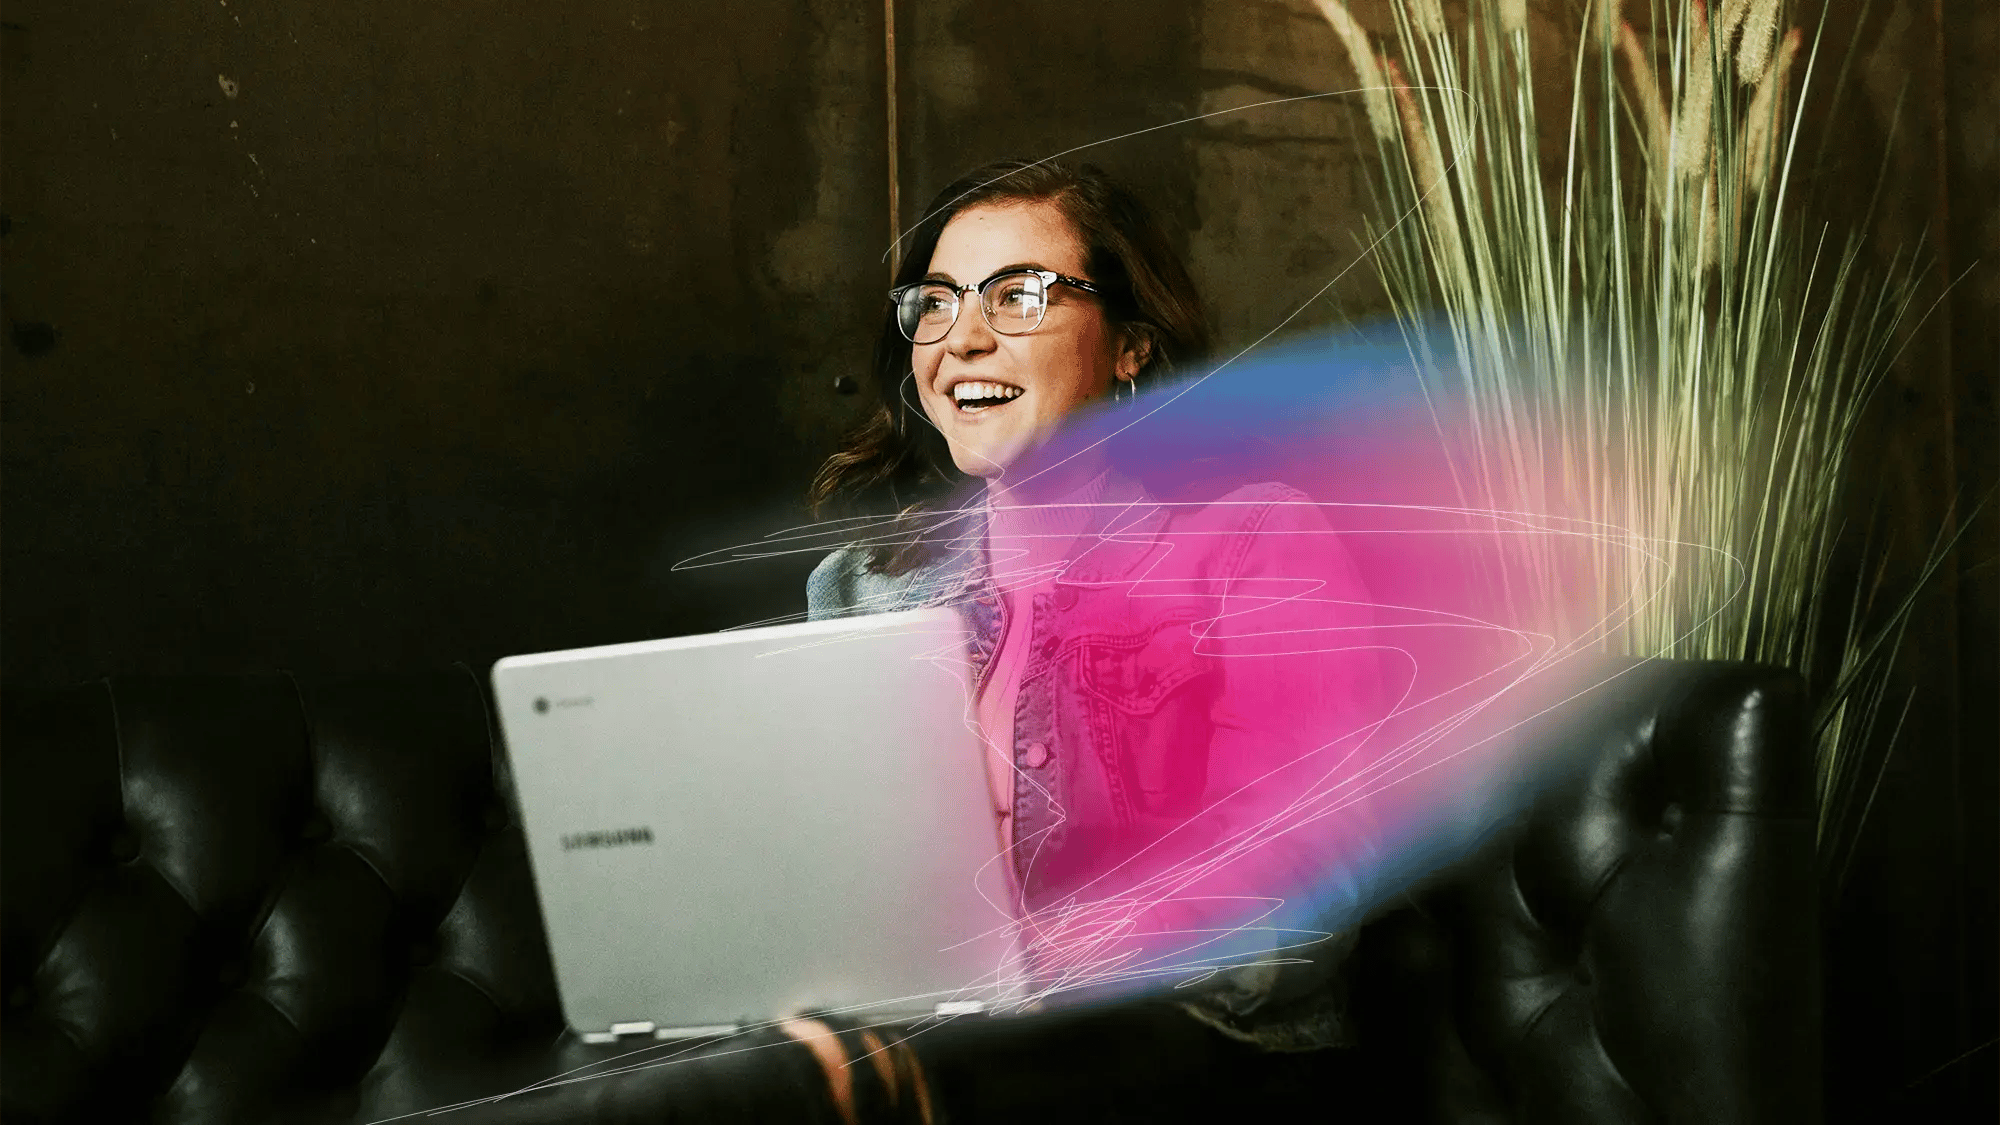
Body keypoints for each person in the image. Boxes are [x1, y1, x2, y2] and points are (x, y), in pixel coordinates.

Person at [789, 158, 1391, 1121]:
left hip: (1191, 1058)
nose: (963, 337)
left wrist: (1043, 959)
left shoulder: (1251, 542)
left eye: (1018, 295)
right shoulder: (861, 588)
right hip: (931, 1043)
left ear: (1131, 345)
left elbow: (1302, 880)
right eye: (936, 303)